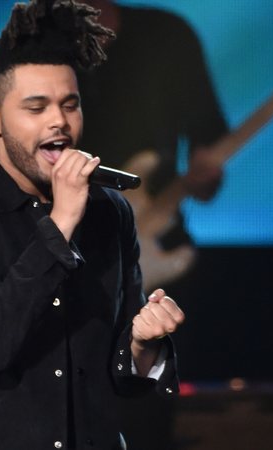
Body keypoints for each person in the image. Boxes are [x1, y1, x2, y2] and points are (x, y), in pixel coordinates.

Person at [0, 1, 185, 449]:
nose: (59, 121)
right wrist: (61, 222)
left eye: (69, 105)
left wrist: (142, 345)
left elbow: (121, 374)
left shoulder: (109, 211)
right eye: (36, 108)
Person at [75, 0, 228, 287]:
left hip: (154, 249)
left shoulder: (167, 34)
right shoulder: (27, 47)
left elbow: (207, 135)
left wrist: (204, 177)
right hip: (64, 256)